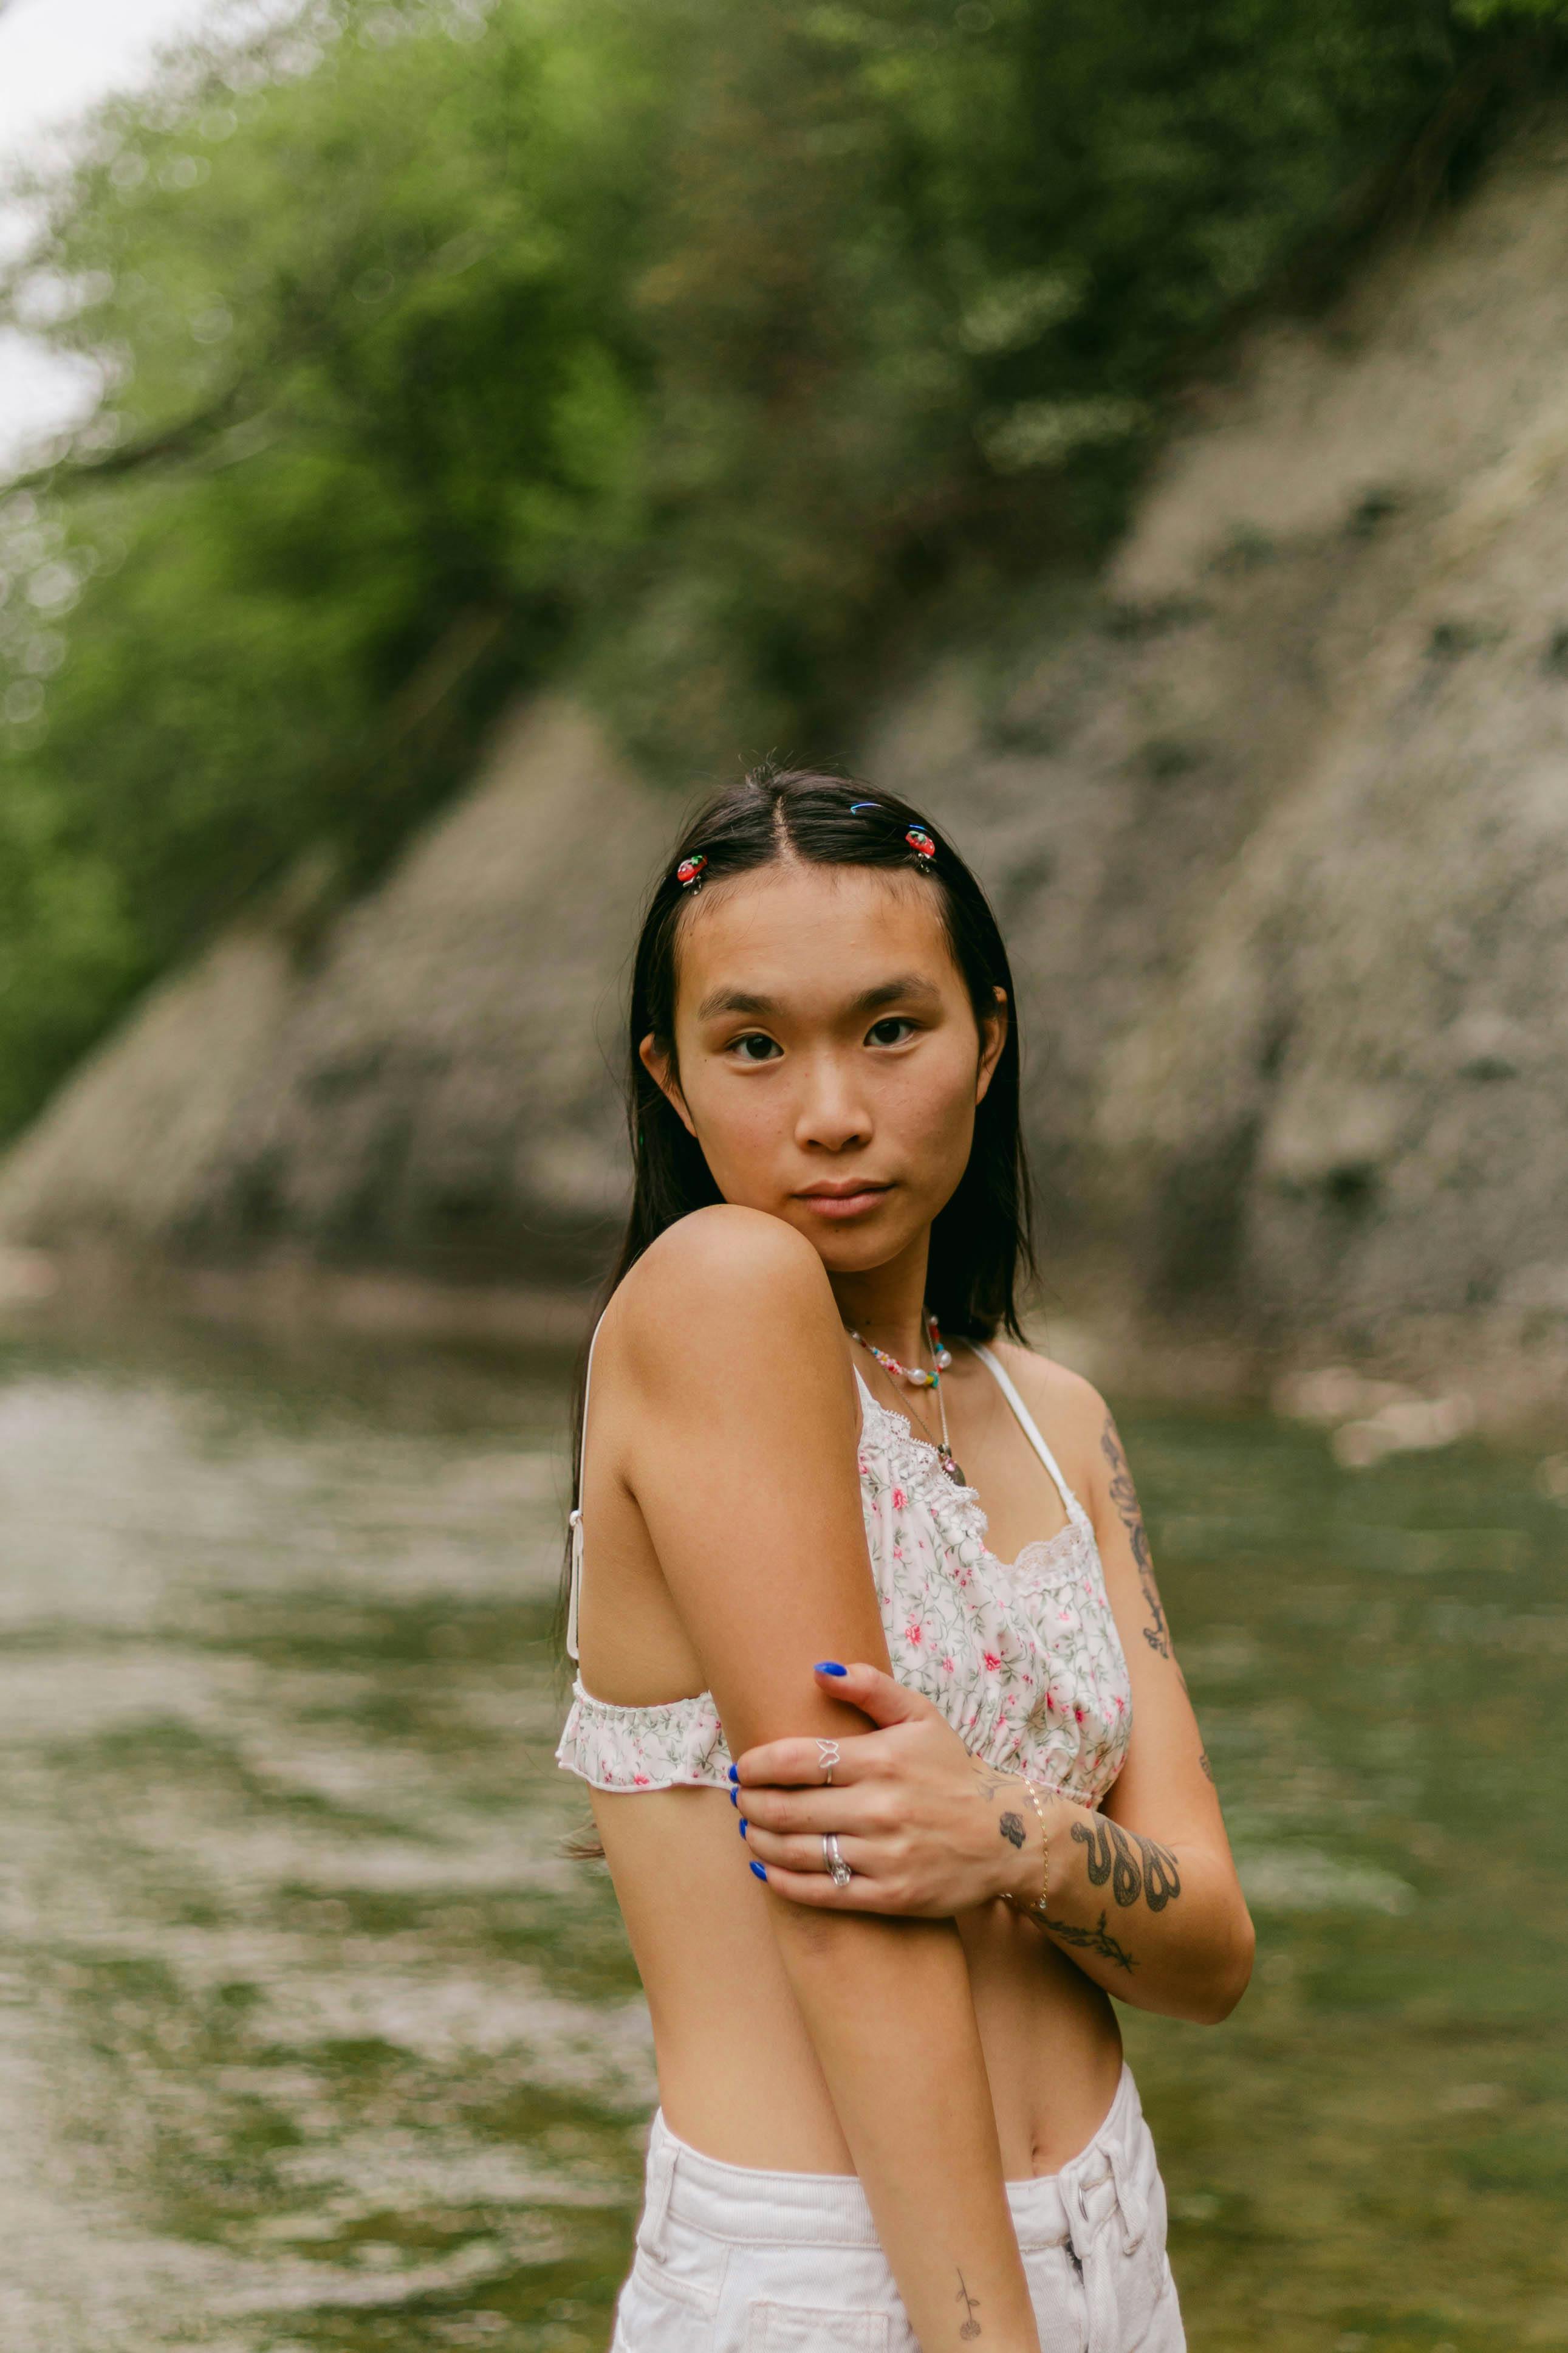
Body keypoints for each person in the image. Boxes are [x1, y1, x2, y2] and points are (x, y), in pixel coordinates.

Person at [555, 767, 1253, 2353]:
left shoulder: (1057, 1419)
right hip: (841, 2279)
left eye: (890, 1029)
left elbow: (1211, 1952)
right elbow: (846, 1913)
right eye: (755, 1046)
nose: (831, 1112)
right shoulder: (719, 1295)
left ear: (988, 1040)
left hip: (1111, 2227)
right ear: (671, 1080)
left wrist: (1009, 1832)